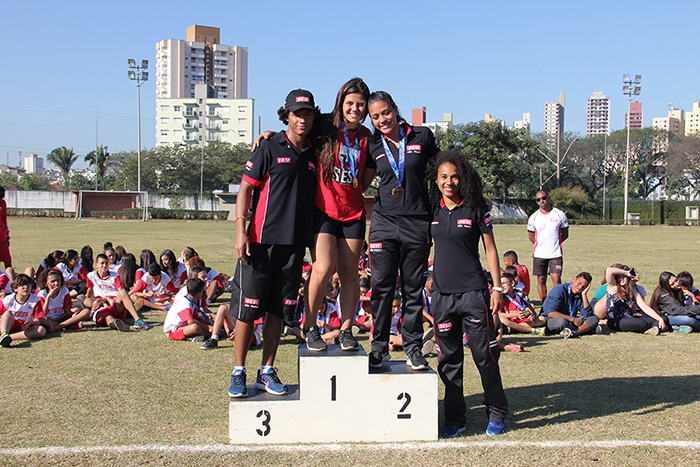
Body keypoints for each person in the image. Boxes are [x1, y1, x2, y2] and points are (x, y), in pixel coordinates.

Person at [228, 89, 319, 398]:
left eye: (307, 114)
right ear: (287, 116)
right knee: (247, 310)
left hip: (293, 246)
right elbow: (245, 190)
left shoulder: (314, 154)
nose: (302, 119)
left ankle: (266, 369)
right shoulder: (268, 147)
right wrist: (241, 230)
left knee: (278, 312)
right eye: (297, 114)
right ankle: (238, 371)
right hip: (259, 244)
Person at [428, 149, 508, 437]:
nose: (449, 182)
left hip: (473, 292)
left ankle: (497, 412)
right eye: (443, 177)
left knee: (484, 355)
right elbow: (426, 248)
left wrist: (496, 286)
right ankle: (455, 417)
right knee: (449, 360)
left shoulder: (475, 208)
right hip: (443, 295)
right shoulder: (432, 210)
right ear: (436, 181)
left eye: (454, 177)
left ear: (463, 179)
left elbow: (490, 248)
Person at [366, 91, 439, 370]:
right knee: (381, 288)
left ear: (395, 110)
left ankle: (412, 347)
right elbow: (361, 183)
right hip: (384, 222)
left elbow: (440, 172)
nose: (382, 119)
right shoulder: (374, 145)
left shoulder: (422, 136)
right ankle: (379, 347)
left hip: (417, 222)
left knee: (412, 288)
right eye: (375, 116)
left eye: (386, 112)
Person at [302, 78, 375, 352]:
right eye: (349, 103)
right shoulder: (324, 127)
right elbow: (296, 131)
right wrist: (268, 136)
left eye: (360, 104)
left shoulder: (367, 137)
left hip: (353, 213)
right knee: (322, 267)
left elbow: (365, 178)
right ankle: (310, 326)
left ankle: (346, 329)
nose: (355, 109)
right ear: (340, 103)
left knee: (350, 274)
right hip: (323, 211)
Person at [84, 254, 149, 331]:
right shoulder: (91, 276)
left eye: (106, 263)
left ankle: (137, 320)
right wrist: (104, 300)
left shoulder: (115, 275)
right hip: (101, 305)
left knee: (123, 292)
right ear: (96, 265)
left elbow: (120, 291)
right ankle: (118, 324)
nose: (104, 265)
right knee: (108, 317)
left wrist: (111, 299)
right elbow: (89, 291)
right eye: (102, 263)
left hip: (115, 303)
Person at [527, 190, 569, 303]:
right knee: (541, 280)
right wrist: (539, 245)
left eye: (544, 198)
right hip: (539, 254)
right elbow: (531, 235)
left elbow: (565, 234)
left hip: (555, 253)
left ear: (548, 198)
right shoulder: (534, 217)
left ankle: (558, 303)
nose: (542, 201)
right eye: (538, 199)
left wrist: (555, 243)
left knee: (556, 280)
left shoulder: (559, 214)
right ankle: (544, 304)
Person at [602, 265, 667, 335]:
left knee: (663, 317)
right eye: (619, 277)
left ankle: (654, 328)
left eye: (624, 277)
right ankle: (654, 327)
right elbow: (609, 270)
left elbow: (645, 307)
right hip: (616, 321)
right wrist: (626, 273)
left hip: (630, 318)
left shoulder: (633, 291)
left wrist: (660, 319)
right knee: (641, 323)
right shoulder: (613, 287)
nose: (622, 279)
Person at [540, 272, 599, 337]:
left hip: (570, 320)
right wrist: (573, 320)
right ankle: (586, 329)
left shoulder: (579, 295)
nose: (580, 288)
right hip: (551, 320)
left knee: (594, 318)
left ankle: (574, 333)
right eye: (579, 283)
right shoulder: (559, 289)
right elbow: (551, 313)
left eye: (583, 287)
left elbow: (588, 315)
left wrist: (584, 295)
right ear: (574, 279)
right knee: (562, 322)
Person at [0, 274, 45, 347]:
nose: (26, 287)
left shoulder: (35, 300)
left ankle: (8, 338)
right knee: (8, 313)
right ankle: (4, 334)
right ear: (15, 288)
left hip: (24, 327)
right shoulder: (8, 300)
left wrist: (30, 323)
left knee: (41, 330)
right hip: (8, 325)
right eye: (22, 285)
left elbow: (38, 320)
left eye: (28, 285)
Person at [0, 186, 11, 269]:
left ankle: (9, 279)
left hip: (2, 236)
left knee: (7, 261)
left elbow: (4, 220)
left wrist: (7, 236)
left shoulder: (2, 203)